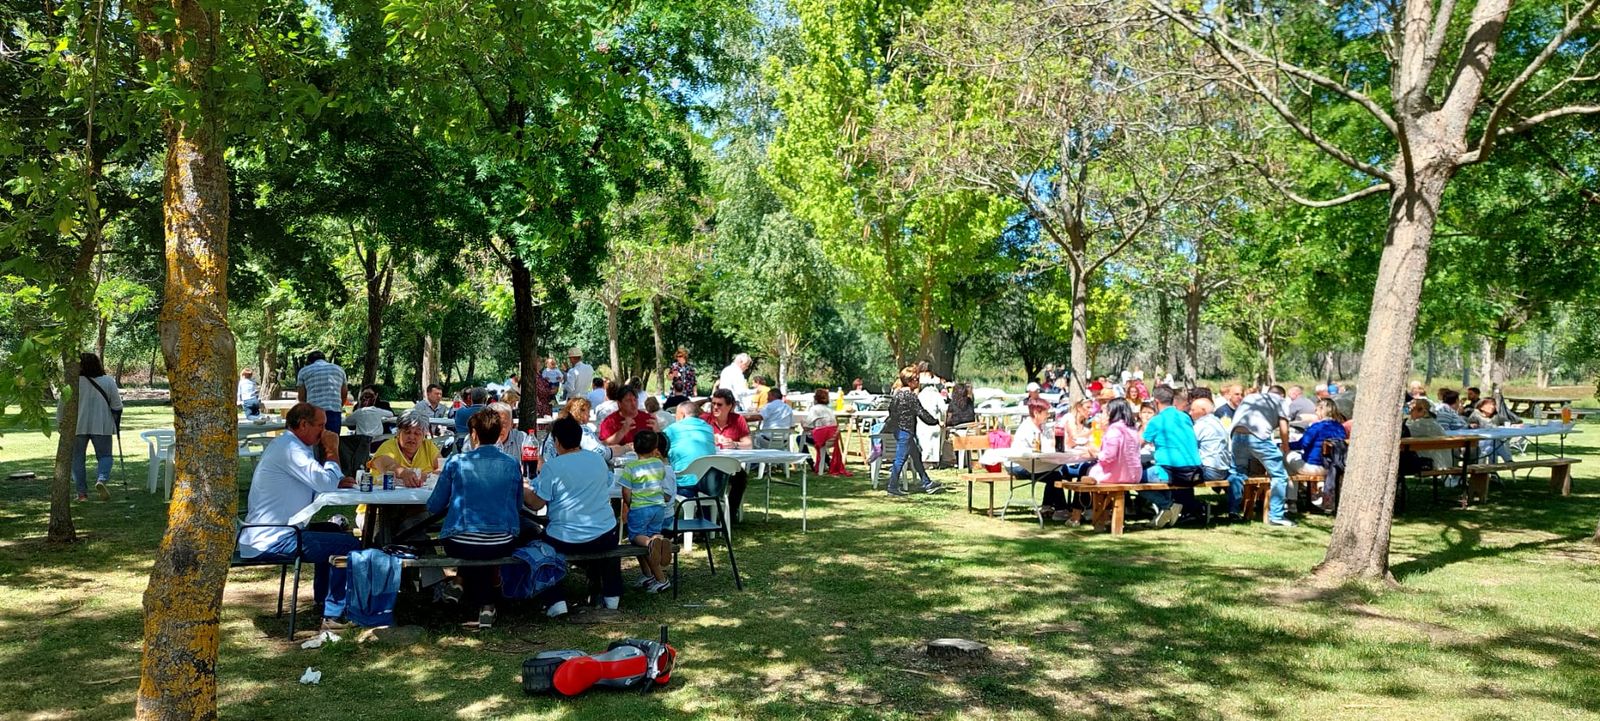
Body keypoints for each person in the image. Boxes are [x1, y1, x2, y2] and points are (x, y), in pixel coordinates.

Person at [238, 403, 358, 630]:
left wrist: (335, 479)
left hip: (272, 531)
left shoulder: (290, 445)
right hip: (274, 537)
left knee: (334, 532)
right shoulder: (290, 448)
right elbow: (325, 484)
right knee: (349, 545)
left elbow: (322, 483)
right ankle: (333, 616)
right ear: (303, 425)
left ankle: (323, 602)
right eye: (321, 426)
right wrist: (332, 449)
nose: (324, 432)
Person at [428, 409, 529, 629]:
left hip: (459, 540)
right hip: (503, 540)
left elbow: (434, 505)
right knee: (485, 544)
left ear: (473, 434)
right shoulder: (512, 464)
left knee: (473, 543)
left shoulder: (456, 462)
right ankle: (485, 603)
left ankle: (467, 588)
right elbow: (518, 504)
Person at [525, 417, 624, 618]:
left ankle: (555, 601)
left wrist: (524, 489)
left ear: (557, 442)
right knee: (609, 550)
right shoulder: (597, 460)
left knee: (537, 547)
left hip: (565, 539)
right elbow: (605, 484)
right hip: (604, 535)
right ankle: (612, 596)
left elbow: (536, 504)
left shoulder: (553, 467)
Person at [1088, 398, 1176, 525]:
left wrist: (1096, 454)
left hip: (1115, 475)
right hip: (1134, 474)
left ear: (1113, 412)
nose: (1104, 415)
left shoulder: (1115, 430)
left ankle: (1097, 516)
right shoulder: (1132, 429)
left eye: (1106, 412)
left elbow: (1109, 456)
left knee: (1089, 472)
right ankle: (1106, 515)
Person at [992, 398, 1076, 522]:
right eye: (1046, 413)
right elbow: (1038, 449)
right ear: (1036, 413)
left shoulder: (1042, 427)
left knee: (1055, 472)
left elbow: (1048, 446)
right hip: (1018, 464)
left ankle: (1049, 507)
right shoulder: (1027, 428)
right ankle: (1060, 509)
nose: (1048, 416)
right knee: (1054, 475)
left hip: (1033, 463)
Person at [1227, 385, 1296, 527]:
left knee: (1238, 472)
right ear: (1282, 395)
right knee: (1279, 476)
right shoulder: (1281, 401)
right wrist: (1286, 446)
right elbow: (1284, 426)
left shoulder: (1252, 397)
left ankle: (1233, 511)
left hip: (1237, 436)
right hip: (1257, 437)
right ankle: (1276, 516)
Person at [619, 430, 675, 594]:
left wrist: (630, 504)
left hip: (640, 508)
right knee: (653, 533)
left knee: (636, 537)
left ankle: (652, 547)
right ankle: (657, 544)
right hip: (658, 508)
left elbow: (626, 492)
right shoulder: (659, 464)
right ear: (655, 448)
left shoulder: (630, 467)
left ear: (634, 448)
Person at [1142, 385, 1202, 527]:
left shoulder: (1157, 421)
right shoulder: (1185, 417)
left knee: (1134, 477)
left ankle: (1167, 505)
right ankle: (1166, 511)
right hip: (1193, 471)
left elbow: (1140, 443)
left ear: (1156, 402)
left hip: (1170, 472)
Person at [884, 367, 945, 497]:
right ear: (910, 381)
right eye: (916, 379)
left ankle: (927, 483)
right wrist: (936, 422)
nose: (918, 382)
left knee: (916, 456)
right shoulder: (910, 396)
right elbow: (921, 412)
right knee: (900, 459)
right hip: (906, 431)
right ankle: (892, 487)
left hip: (898, 430)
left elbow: (891, 411)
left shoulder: (897, 395)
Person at [73, 352, 123, 501]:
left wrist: (60, 422)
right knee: (105, 456)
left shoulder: (74, 382)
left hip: (78, 425)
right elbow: (117, 406)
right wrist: (116, 423)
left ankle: (81, 494)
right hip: (102, 424)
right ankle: (101, 480)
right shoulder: (108, 381)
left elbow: (63, 405)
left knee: (77, 459)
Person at [1189, 397, 1236, 516]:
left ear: (1203, 411)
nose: (1190, 412)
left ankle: (1193, 508)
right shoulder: (1218, 422)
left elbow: (1187, 444)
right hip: (1224, 470)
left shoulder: (1201, 425)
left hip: (1209, 470)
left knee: (1179, 475)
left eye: (1193, 410)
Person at [370, 415, 441, 487]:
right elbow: (389, 466)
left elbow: (443, 468)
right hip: (387, 496)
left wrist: (427, 476)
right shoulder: (387, 447)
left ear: (423, 436)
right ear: (398, 433)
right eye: (407, 432)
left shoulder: (428, 446)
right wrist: (405, 473)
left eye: (417, 433)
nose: (412, 437)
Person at [539, 397, 614, 463]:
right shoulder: (581, 429)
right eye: (588, 412)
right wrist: (621, 449)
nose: (589, 415)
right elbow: (600, 453)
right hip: (563, 470)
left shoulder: (559, 426)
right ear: (580, 413)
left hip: (549, 467)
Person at [664, 400, 716, 493]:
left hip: (684, 483)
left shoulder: (671, 430)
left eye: (676, 415)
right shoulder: (708, 428)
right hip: (709, 484)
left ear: (682, 415)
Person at [1287, 399, 1348, 477]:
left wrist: (1283, 445)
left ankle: (1290, 488)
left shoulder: (1317, 427)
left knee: (1286, 455)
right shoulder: (1340, 428)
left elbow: (1302, 444)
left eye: (1316, 410)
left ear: (1321, 410)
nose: (1315, 412)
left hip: (1314, 466)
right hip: (1332, 468)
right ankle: (1319, 486)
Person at [296, 351, 348, 431]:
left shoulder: (304, 371)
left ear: (309, 362)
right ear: (324, 359)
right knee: (332, 440)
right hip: (334, 411)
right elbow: (344, 394)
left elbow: (302, 397)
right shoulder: (339, 370)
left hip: (313, 412)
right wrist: (338, 406)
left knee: (314, 441)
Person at [1405, 399, 1456, 479]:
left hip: (1432, 464)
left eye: (1411, 411)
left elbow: (1403, 433)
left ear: (1422, 411)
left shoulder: (1420, 425)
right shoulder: (1432, 423)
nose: (1409, 413)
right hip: (1444, 464)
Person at [802, 388, 846, 475]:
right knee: (817, 437)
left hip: (822, 439)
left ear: (815, 398)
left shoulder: (815, 409)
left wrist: (802, 422)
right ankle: (827, 460)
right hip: (832, 439)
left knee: (800, 438)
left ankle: (811, 462)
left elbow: (807, 426)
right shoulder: (830, 410)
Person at [1468, 397, 1517, 464]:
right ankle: (1508, 460)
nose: (1492, 407)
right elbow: (1470, 426)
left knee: (1491, 448)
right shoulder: (1475, 415)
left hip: (1490, 444)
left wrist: (1513, 425)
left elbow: (1509, 422)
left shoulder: (1496, 416)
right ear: (1481, 407)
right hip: (1479, 442)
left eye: (1494, 404)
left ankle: (1493, 472)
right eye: (1489, 405)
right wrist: (1473, 425)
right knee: (1495, 442)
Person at [917, 379, 946, 464]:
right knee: (934, 444)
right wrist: (942, 420)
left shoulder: (920, 395)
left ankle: (924, 461)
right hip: (934, 423)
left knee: (923, 443)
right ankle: (934, 462)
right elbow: (943, 409)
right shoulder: (937, 395)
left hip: (921, 423)